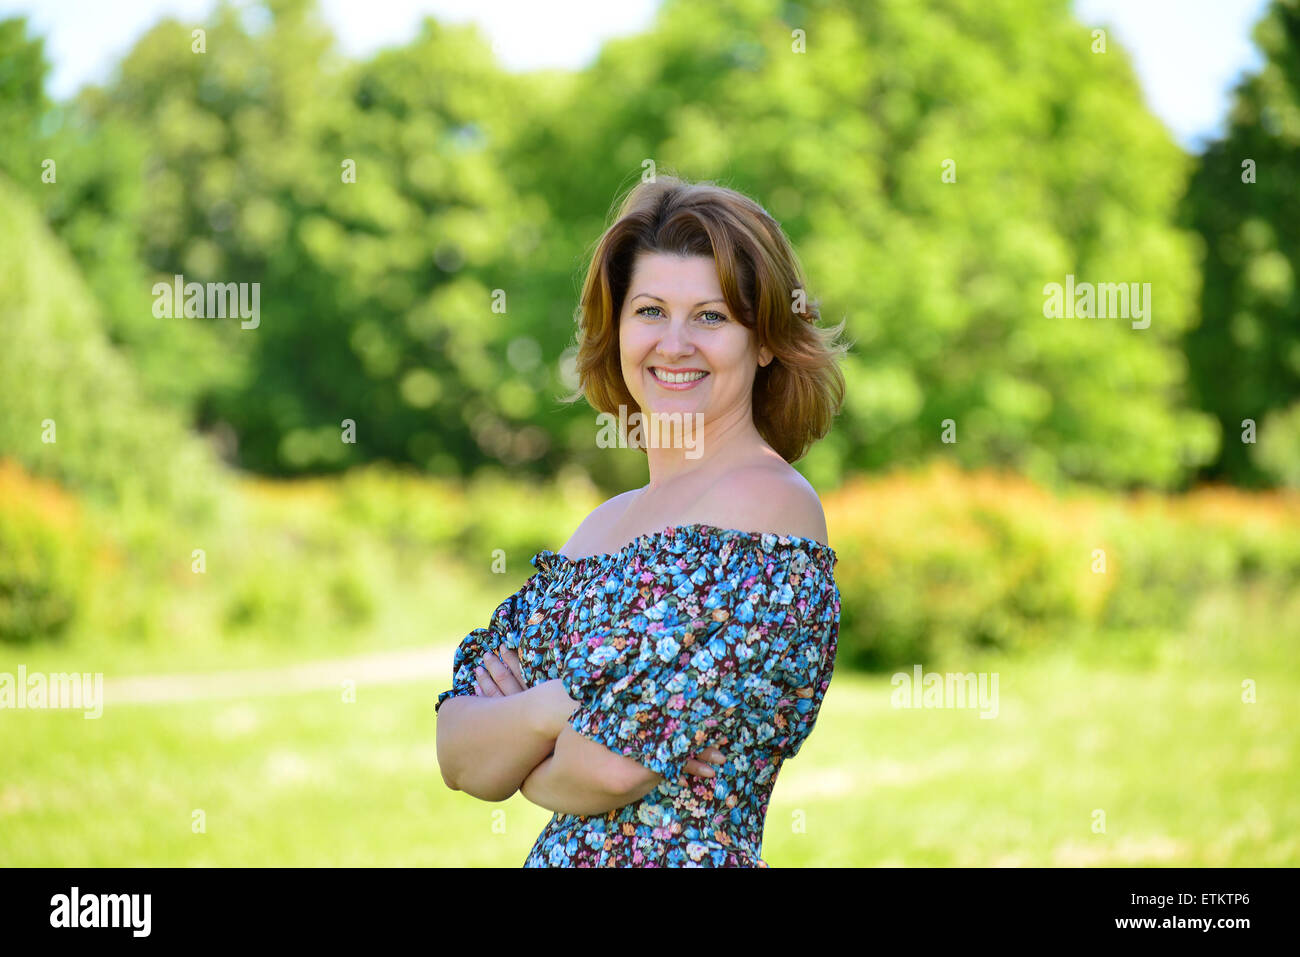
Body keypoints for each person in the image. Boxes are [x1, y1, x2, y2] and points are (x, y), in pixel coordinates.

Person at [435, 173, 850, 867]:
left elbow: (609, 767)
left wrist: (531, 741)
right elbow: (459, 755)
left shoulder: (770, 507)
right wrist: (557, 713)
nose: (675, 343)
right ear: (617, 327)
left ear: (767, 339)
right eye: (650, 311)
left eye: (711, 317)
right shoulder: (602, 525)